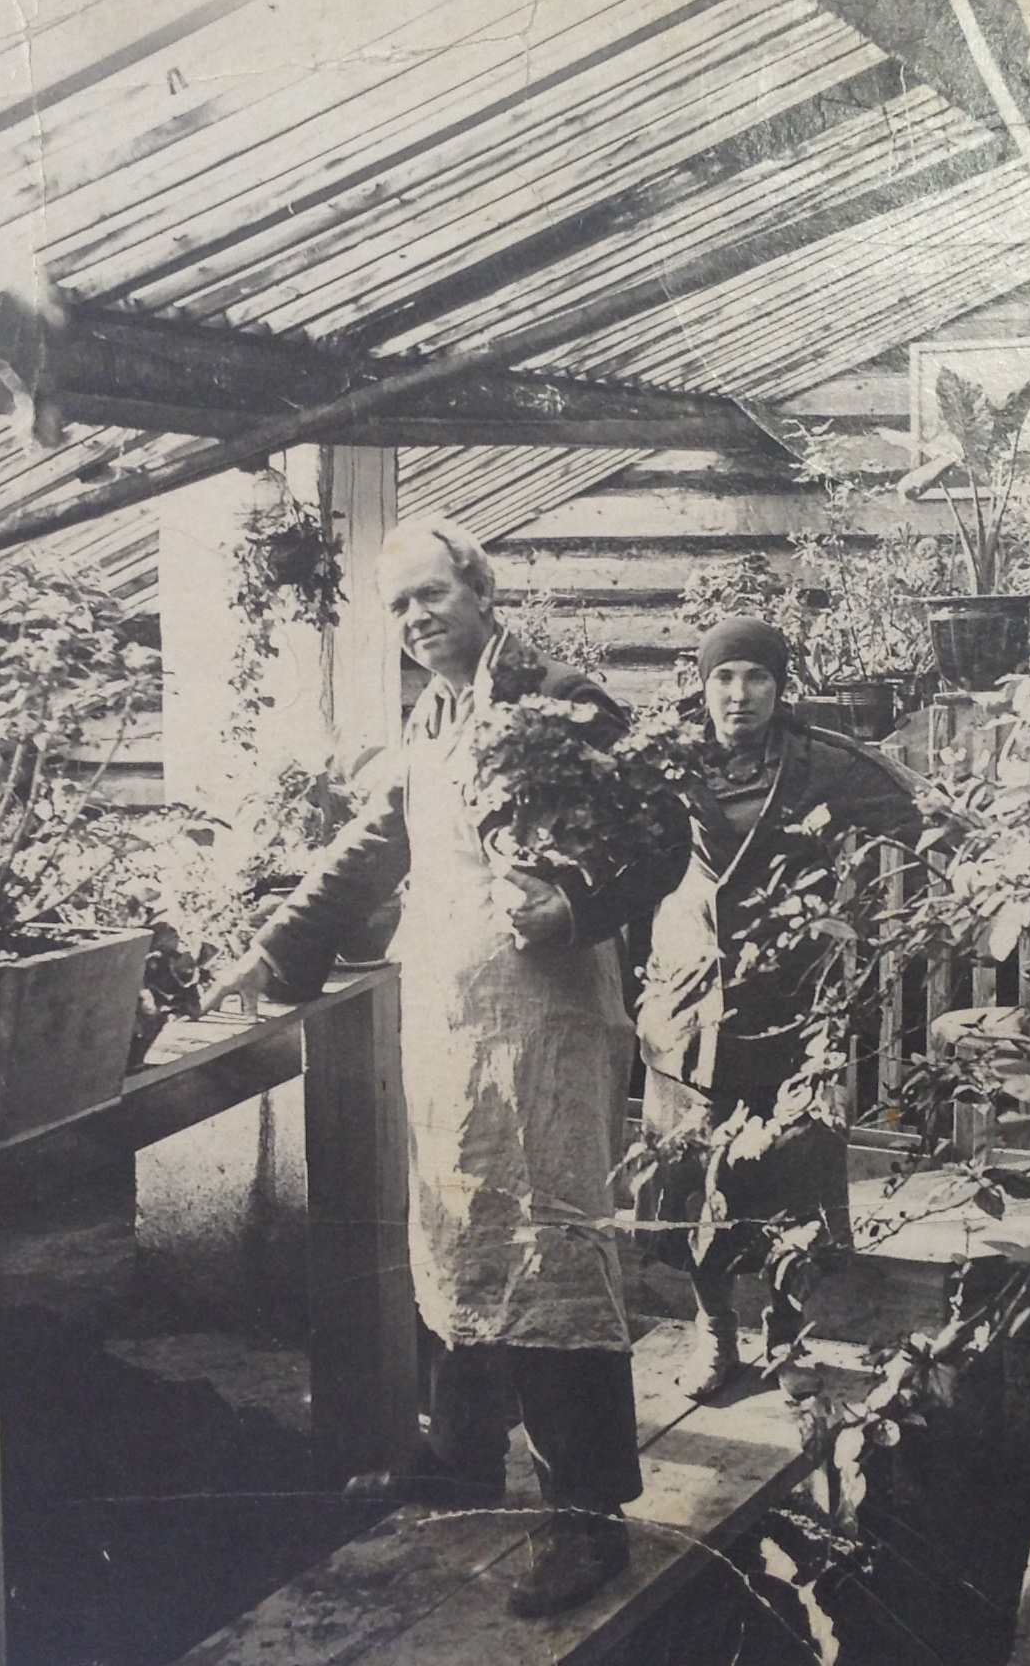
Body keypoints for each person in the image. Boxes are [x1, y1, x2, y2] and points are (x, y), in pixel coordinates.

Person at [207, 517, 687, 1619]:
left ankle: (588, 1515)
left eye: (432, 594)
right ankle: (462, 1461)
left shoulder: (558, 698)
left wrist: (574, 903)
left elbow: (660, 830)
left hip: (546, 1025)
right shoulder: (429, 719)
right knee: (462, 1228)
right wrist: (271, 951)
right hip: (452, 1018)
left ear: (480, 590)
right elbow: (373, 847)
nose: (417, 619)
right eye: (398, 607)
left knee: (552, 1251)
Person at [635, 617, 945, 1400]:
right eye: (724, 678)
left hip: (785, 996)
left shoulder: (822, 764)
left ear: (781, 687)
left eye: (757, 678)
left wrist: (881, 916)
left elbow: (922, 823)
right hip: (687, 992)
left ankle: (784, 1334)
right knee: (692, 1166)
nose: (739, 694)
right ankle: (714, 1329)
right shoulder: (666, 759)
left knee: (788, 1171)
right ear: (702, 685)